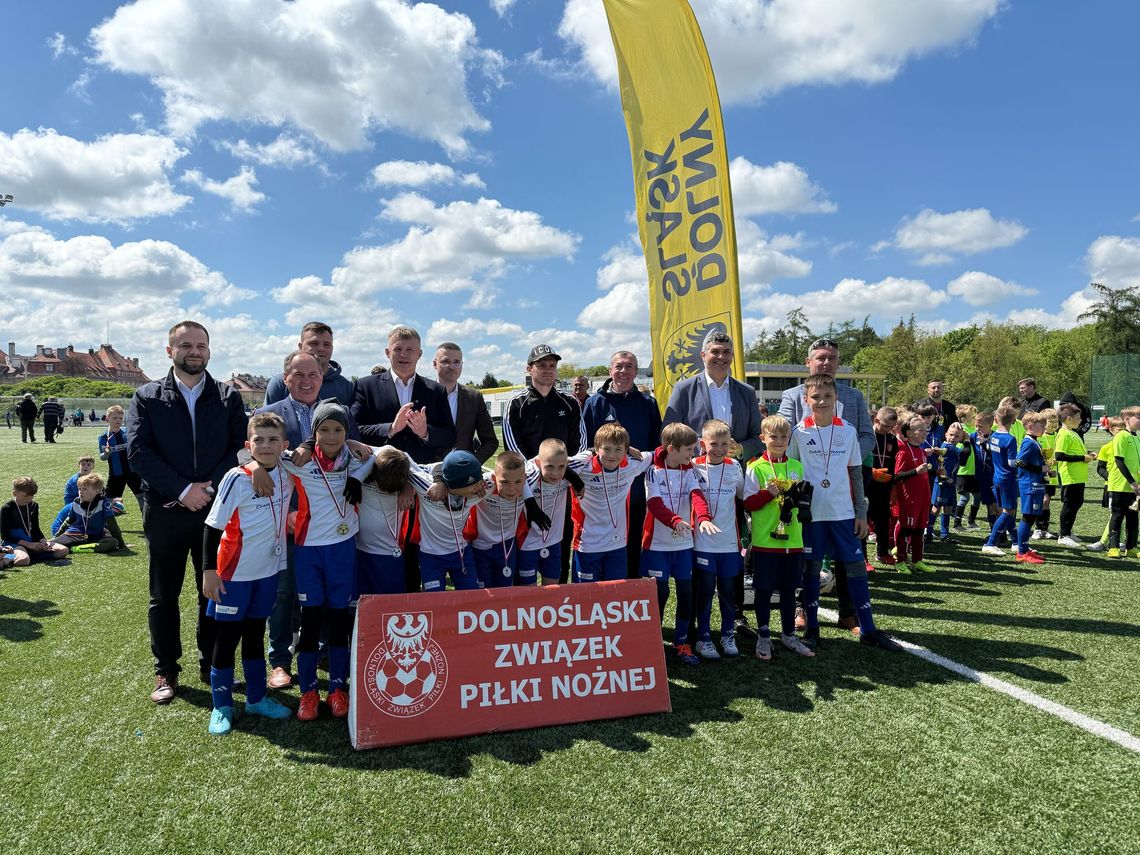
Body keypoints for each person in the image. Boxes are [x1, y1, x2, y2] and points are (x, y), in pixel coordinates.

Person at [128, 320, 249, 705]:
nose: (194, 351)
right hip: (165, 510)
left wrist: (207, 489)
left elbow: (240, 448)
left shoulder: (228, 396)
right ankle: (166, 668)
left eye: (201, 345)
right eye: (185, 345)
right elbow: (138, 452)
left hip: (214, 512)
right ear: (170, 351)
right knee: (163, 594)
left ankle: (210, 662)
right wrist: (182, 490)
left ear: (209, 351)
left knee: (210, 591)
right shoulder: (146, 396)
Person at [787, 374, 901, 651]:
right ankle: (812, 629)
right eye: (815, 397)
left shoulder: (848, 431)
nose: (822, 401)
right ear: (806, 400)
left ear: (836, 398)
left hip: (843, 514)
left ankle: (869, 629)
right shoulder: (799, 432)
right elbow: (792, 473)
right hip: (811, 516)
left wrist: (861, 513)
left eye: (827, 396)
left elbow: (856, 473)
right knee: (811, 571)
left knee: (855, 569)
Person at [277, 400, 372, 721]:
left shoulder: (356, 460)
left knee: (339, 622)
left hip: (342, 551)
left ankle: (336, 689)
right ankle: (307, 693)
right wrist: (304, 445)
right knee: (311, 623)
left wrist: (357, 456)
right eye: (324, 430)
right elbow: (249, 455)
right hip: (309, 553)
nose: (332, 437)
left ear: (347, 432)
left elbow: (386, 455)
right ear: (314, 432)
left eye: (339, 430)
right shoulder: (299, 462)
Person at [201, 412, 295, 735]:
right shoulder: (236, 479)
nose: (266, 446)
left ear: (284, 445)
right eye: (259, 440)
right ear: (248, 444)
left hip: (267, 572)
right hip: (233, 574)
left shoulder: (287, 472)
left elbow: (312, 453)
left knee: (255, 636)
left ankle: (256, 698)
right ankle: (222, 705)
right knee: (226, 640)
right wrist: (208, 571)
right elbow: (212, 527)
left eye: (273, 440)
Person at [666, 330, 763, 639]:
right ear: (703, 355)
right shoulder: (683, 389)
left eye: (726, 351)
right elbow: (670, 433)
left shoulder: (746, 392)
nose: (721, 357)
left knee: (734, 551)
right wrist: (696, 456)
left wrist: (740, 450)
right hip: (696, 481)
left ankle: (734, 619)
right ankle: (696, 619)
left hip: (733, 480)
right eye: (715, 351)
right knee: (698, 551)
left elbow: (755, 439)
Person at [780, 339, 874, 634]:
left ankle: (852, 616)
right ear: (809, 362)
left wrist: (839, 453)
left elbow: (866, 436)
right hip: (810, 504)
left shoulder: (853, 398)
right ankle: (805, 615)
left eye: (832, 358)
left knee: (850, 562)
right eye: (821, 358)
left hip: (842, 498)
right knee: (807, 562)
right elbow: (782, 438)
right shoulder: (792, 398)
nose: (826, 363)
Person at [352, 326, 456, 593]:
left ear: (420, 354)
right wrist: (390, 429)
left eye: (410, 349)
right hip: (377, 486)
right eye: (398, 349)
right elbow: (354, 430)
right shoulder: (366, 386)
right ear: (387, 352)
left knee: (412, 553)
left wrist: (425, 432)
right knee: (375, 554)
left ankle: (410, 607)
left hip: (419, 489)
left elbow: (449, 436)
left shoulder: (435, 390)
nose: (403, 354)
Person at [504, 344, 586, 584]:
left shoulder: (569, 403)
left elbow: (580, 446)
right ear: (530, 369)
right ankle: (526, 611)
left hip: (561, 485)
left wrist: (563, 472)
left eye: (552, 366)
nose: (548, 370)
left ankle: (557, 609)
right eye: (541, 365)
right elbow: (513, 450)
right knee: (524, 550)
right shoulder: (516, 403)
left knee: (559, 547)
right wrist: (538, 473)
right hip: (527, 487)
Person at [641, 422, 717, 666]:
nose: (693, 454)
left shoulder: (690, 470)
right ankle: (653, 642)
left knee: (686, 594)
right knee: (659, 594)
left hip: (683, 545)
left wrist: (703, 517)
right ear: (672, 449)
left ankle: (682, 642)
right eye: (689, 449)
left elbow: (697, 496)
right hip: (656, 547)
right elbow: (654, 504)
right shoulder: (653, 471)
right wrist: (675, 520)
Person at [582, 351, 662, 579]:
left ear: (636, 372)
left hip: (635, 490)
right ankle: (597, 594)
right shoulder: (594, 403)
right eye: (619, 366)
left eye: (629, 367)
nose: (624, 371)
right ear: (610, 371)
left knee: (633, 542)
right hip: (601, 493)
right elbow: (585, 446)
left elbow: (656, 446)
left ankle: (629, 594)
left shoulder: (648, 403)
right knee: (600, 546)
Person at [744, 415, 815, 660]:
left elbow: (804, 499)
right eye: (773, 436)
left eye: (784, 436)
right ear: (763, 438)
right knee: (763, 591)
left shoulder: (796, 466)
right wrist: (767, 493)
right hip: (766, 541)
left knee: (788, 590)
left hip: (793, 541)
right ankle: (764, 637)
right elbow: (748, 503)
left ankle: (788, 636)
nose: (779, 441)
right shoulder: (755, 467)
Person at [692, 419, 750, 660]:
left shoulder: (735, 466)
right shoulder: (693, 466)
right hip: (702, 543)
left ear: (731, 445)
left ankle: (727, 634)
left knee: (728, 592)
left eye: (724, 444)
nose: (718, 448)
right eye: (713, 443)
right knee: (704, 591)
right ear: (702, 443)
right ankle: (703, 637)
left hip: (728, 544)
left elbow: (745, 496)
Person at [567, 422, 653, 583]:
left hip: (617, 545)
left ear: (625, 450)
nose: (612, 455)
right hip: (587, 544)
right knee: (587, 597)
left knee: (616, 595)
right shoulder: (583, 468)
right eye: (606, 449)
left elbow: (658, 454)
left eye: (618, 449)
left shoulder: (631, 465)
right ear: (597, 448)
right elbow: (556, 462)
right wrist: (588, 453)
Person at [463, 451, 540, 588]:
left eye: (518, 482)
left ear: (525, 479)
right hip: (480, 547)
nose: (511, 489)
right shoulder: (483, 486)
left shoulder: (531, 479)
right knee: (484, 592)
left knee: (505, 590)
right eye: (504, 482)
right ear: (494, 477)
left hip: (508, 547)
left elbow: (541, 460)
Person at [520, 439, 585, 586]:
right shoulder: (529, 474)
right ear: (538, 463)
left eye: (561, 467)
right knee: (527, 595)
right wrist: (530, 502)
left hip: (553, 542)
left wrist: (575, 478)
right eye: (549, 467)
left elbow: (596, 453)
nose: (555, 474)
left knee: (552, 590)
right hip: (527, 544)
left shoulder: (567, 471)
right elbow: (511, 473)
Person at [356, 447, 413, 596]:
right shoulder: (363, 468)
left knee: (389, 605)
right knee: (361, 604)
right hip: (360, 551)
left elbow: (426, 470)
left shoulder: (404, 479)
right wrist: (352, 442)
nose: (385, 491)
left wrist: (408, 486)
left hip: (389, 555)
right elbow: (349, 445)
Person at [433, 342, 498, 464]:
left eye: (456, 362)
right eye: (445, 361)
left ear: (461, 365)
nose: (452, 366)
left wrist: (472, 463)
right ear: (434, 364)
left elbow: (490, 441)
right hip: (429, 473)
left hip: (464, 474)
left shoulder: (474, 397)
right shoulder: (423, 394)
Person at [263, 321, 355, 406]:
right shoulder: (281, 384)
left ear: (332, 348)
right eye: (314, 343)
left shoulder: (346, 386)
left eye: (326, 344)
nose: (321, 348)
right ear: (300, 346)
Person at [893, 416, 935, 573]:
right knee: (906, 529)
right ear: (909, 433)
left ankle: (917, 560)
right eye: (920, 430)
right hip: (909, 497)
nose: (924, 433)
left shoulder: (922, 451)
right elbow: (897, 475)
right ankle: (901, 561)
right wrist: (915, 472)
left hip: (923, 496)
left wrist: (936, 471)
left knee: (919, 529)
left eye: (925, 430)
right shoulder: (903, 451)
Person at [1054, 402, 1097, 549]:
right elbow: (1059, 455)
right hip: (1070, 476)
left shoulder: (1073, 432)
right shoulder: (1064, 434)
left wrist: (1088, 454)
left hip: (1078, 475)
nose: (1081, 420)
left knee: (1076, 503)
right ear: (1069, 419)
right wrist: (1082, 458)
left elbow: (1075, 452)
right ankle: (1063, 535)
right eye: (1078, 417)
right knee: (1070, 505)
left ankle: (1068, 532)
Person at [2, 477, 72, 566]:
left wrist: (44, 542)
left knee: (63, 551)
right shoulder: (7, 509)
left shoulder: (34, 506)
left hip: (33, 542)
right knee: (22, 561)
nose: (29, 499)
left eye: (32, 496)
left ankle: (30, 555)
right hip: (16, 543)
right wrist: (29, 545)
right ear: (14, 493)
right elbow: (5, 535)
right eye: (25, 496)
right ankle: (8, 556)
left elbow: (35, 529)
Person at [981, 404, 1021, 558]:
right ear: (1013, 420)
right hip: (1007, 478)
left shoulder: (994, 436)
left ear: (996, 419)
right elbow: (1012, 463)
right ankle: (990, 543)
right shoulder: (1010, 439)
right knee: (1008, 511)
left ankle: (1017, 542)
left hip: (997, 476)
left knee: (1006, 509)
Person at [52, 473, 127, 553]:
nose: (81, 492)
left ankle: (74, 548)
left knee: (114, 542)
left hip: (96, 535)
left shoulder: (103, 503)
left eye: (85, 489)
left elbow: (113, 525)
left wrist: (122, 544)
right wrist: (56, 537)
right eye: (80, 489)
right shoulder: (76, 502)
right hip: (75, 534)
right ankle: (79, 547)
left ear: (97, 491)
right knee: (52, 543)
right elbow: (68, 522)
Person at [1011, 411, 1049, 564]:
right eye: (1042, 425)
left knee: (1031, 517)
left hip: (1036, 484)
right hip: (1029, 485)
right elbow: (1019, 462)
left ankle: (1025, 548)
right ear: (1031, 426)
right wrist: (1040, 469)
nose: (1044, 428)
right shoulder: (1028, 442)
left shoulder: (1035, 441)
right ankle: (1021, 552)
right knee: (1027, 517)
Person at [1107, 406, 1140, 559]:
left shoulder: (1137, 437)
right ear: (1127, 419)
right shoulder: (1121, 436)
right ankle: (1113, 547)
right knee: (1118, 515)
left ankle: (1131, 547)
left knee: (1133, 517)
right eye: (1138, 418)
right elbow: (1119, 461)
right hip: (1121, 485)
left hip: (1135, 487)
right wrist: (1132, 482)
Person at [99, 405, 144, 513]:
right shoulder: (104, 437)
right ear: (107, 419)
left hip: (133, 472)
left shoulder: (127, 433)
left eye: (120, 418)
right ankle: (105, 524)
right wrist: (106, 453)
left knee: (142, 496)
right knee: (108, 500)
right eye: (114, 418)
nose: (118, 420)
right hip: (116, 474)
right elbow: (102, 457)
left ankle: (148, 522)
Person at [914, 380, 956, 446]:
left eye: (938, 387)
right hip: (925, 442)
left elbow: (955, 423)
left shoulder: (950, 406)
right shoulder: (919, 405)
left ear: (942, 389)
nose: (936, 390)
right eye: (933, 388)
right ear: (928, 390)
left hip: (945, 443)